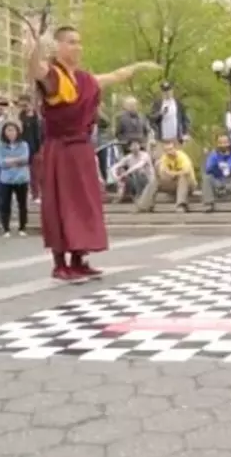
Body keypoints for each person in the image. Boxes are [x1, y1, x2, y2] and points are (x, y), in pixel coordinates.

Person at [26, 24, 160, 280]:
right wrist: (35, 48)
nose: (78, 47)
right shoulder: (53, 74)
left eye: (79, 42)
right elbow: (35, 70)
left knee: (84, 205)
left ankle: (79, 259)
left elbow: (116, 75)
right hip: (60, 150)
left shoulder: (86, 79)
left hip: (82, 149)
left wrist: (141, 66)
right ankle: (60, 263)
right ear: (59, 46)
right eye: (72, 42)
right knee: (61, 205)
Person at [137, 141, 196, 213]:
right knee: (155, 181)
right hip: (173, 183)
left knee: (183, 177)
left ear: (175, 149)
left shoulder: (182, 156)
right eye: (167, 150)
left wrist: (173, 173)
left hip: (189, 184)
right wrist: (158, 169)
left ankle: (181, 205)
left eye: (171, 149)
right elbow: (162, 172)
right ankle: (144, 206)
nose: (169, 152)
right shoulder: (164, 158)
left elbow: (186, 171)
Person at [0, 122, 31, 237]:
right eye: (8, 130)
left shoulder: (24, 145)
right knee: (5, 204)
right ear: (4, 132)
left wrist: (9, 160)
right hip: (6, 179)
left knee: (22, 204)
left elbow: (25, 159)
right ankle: (6, 228)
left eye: (13, 130)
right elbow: (1, 163)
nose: (11, 133)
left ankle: (22, 227)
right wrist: (16, 161)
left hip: (21, 178)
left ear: (17, 132)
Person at [202, 134, 231, 212]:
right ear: (218, 144)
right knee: (207, 177)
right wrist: (217, 166)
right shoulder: (213, 156)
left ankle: (226, 190)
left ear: (229, 143)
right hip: (218, 182)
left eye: (225, 142)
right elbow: (208, 169)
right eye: (221, 143)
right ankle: (209, 204)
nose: (224, 145)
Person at [17, 95, 42, 204]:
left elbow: (40, 133)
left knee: (35, 172)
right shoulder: (20, 117)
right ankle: (26, 193)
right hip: (22, 147)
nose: (24, 107)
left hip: (36, 147)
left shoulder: (37, 117)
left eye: (26, 104)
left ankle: (36, 194)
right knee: (22, 172)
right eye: (22, 105)